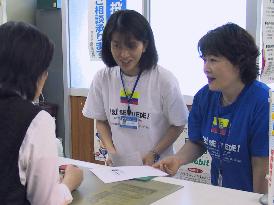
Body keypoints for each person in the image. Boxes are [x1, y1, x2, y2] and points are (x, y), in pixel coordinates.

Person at [153, 23, 269, 194]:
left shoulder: (262, 102)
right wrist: (177, 160)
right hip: (220, 193)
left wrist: (259, 201)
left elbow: (262, 164)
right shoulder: (205, 96)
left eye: (213, 60)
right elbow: (197, 142)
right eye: (204, 59)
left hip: (251, 196)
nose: (206, 68)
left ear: (239, 63)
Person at [83, 10, 189, 166]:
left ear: (144, 45)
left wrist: (154, 153)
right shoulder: (102, 78)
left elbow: (178, 124)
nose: (123, 54)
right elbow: (101, 121)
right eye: (116, 46)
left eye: (131, 46)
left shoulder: (164, 79)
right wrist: (112, 152)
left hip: (156, 168)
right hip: (119, 168)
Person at [0, 21, 83, 204]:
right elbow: (45, 201)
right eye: (45, 69)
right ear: (35, 73)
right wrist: (69, 182)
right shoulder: (35, 120)